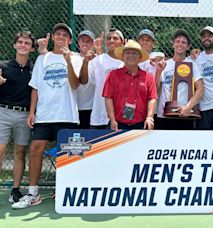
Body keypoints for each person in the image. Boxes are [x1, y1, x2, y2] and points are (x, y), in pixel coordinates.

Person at [12, 23, 81, 209]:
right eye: (58, 33)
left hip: (67, 114)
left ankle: (64, 189)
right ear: (53, 37)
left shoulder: (75, 58)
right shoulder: (43, 58)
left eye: (65, 35)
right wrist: (32, 112)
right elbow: (35, 87)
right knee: (35, 150)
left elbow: (75, 85)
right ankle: (33, 193)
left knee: (67, 154)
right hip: (44, 114)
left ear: (70, 40)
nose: (60, 37)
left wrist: (67, 60)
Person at [0, 31, 35, 204]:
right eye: (20, 42)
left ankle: (15, 190)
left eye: (27, 43)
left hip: (24, 114)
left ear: (31, 48)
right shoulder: (3, 66)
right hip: (3, 112)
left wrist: (32, 113)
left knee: (20, 153)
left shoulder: (34, 68)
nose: (23, 45)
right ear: (14, 45)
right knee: (0, 151)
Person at [155, 29, 204, 130]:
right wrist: (159, 72)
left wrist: (188, 107)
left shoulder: (192, 65)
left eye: (183, 42)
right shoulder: (164, 64)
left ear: (188, 46)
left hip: (184, 114)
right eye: (177, 41)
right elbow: (155, 89)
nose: (180, 44)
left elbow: (201, 88)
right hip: (164, 115)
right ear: (173, 44)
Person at [103, 40, 157, 130]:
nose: (131, 55)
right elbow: (108, 97)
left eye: (134, 53)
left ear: (140, 57)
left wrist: (149, 117)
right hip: (117, 124)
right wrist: (112, 119)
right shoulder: (113, 75)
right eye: (127, 53)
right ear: (122, 57)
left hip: (141, 125)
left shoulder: (148, 77)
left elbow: (152, 98)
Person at [79, 28, 125, 129]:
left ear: (123, 42)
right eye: (109, 38)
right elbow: (83, 81)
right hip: (99, 117)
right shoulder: (97, 60)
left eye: (115, 38)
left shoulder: (127, 62)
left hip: (122, 117)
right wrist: (85, 62)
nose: (111, 40)